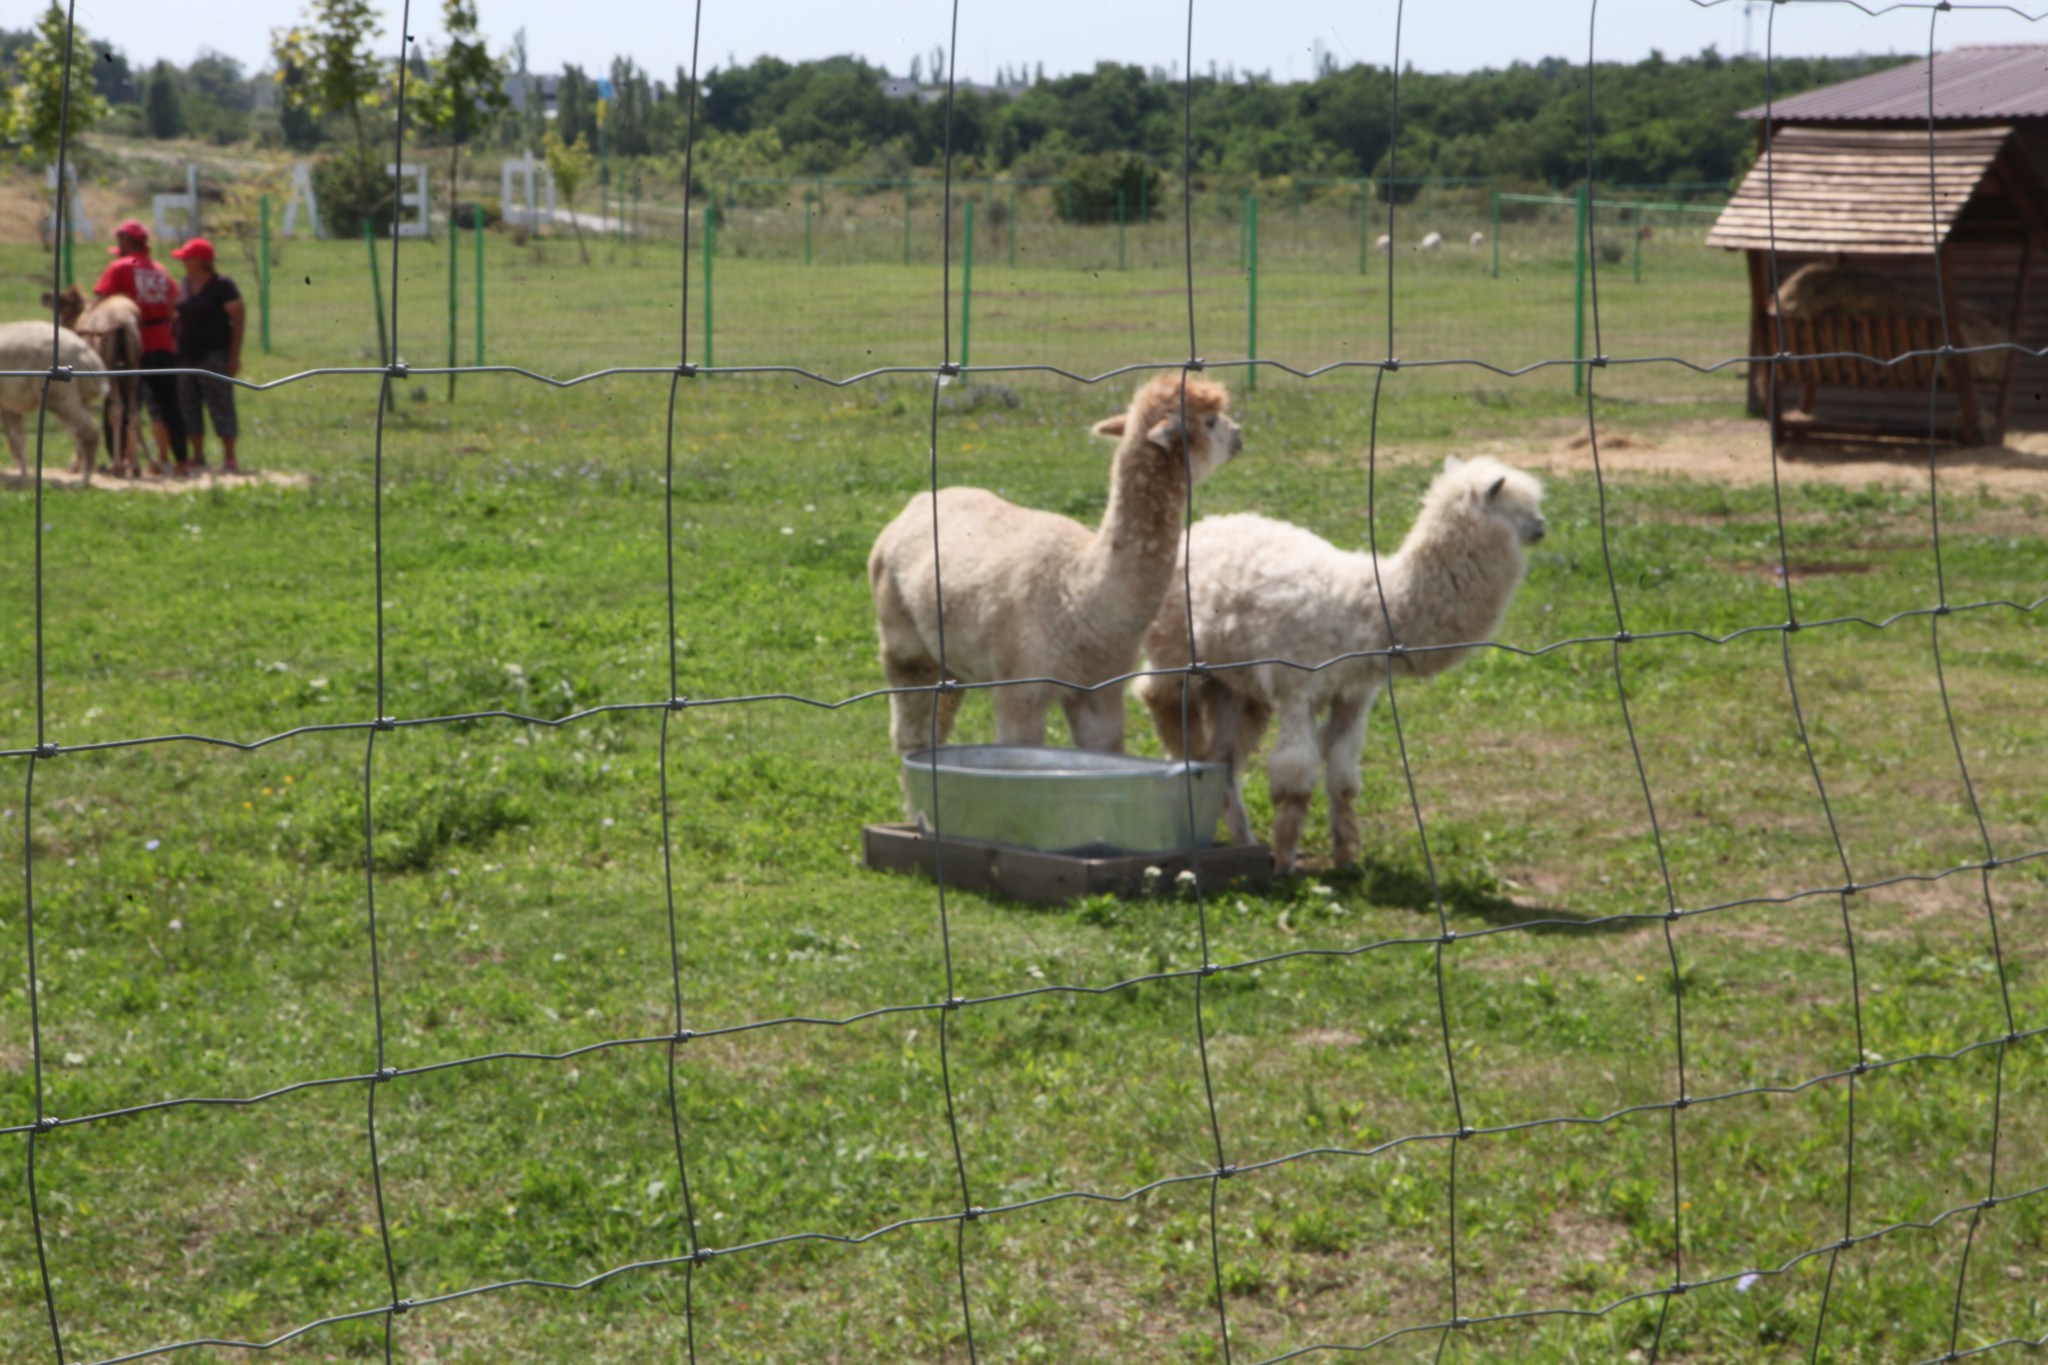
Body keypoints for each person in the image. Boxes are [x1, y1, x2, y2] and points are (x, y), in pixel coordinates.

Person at [94, 220, 189, 475]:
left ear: (126, 241)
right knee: (170, 403)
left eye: (119, 239)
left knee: (119, 400)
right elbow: (172, 303)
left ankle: (119, 459)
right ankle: (182, 461)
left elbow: (102, 301)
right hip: (162, 339)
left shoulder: (120, 267)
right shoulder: (160, 270)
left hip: (127, 344)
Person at [171, 237, 245, 474]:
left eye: (187, 259)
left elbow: (238, 320)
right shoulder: (185, 284)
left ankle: (229, 457)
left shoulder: (223, 286)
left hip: (214, 355)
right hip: (185, 356)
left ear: (200, 261)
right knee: (188, 405)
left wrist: (233, 357)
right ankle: (198, 455)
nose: (183, 263)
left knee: (221, 403)